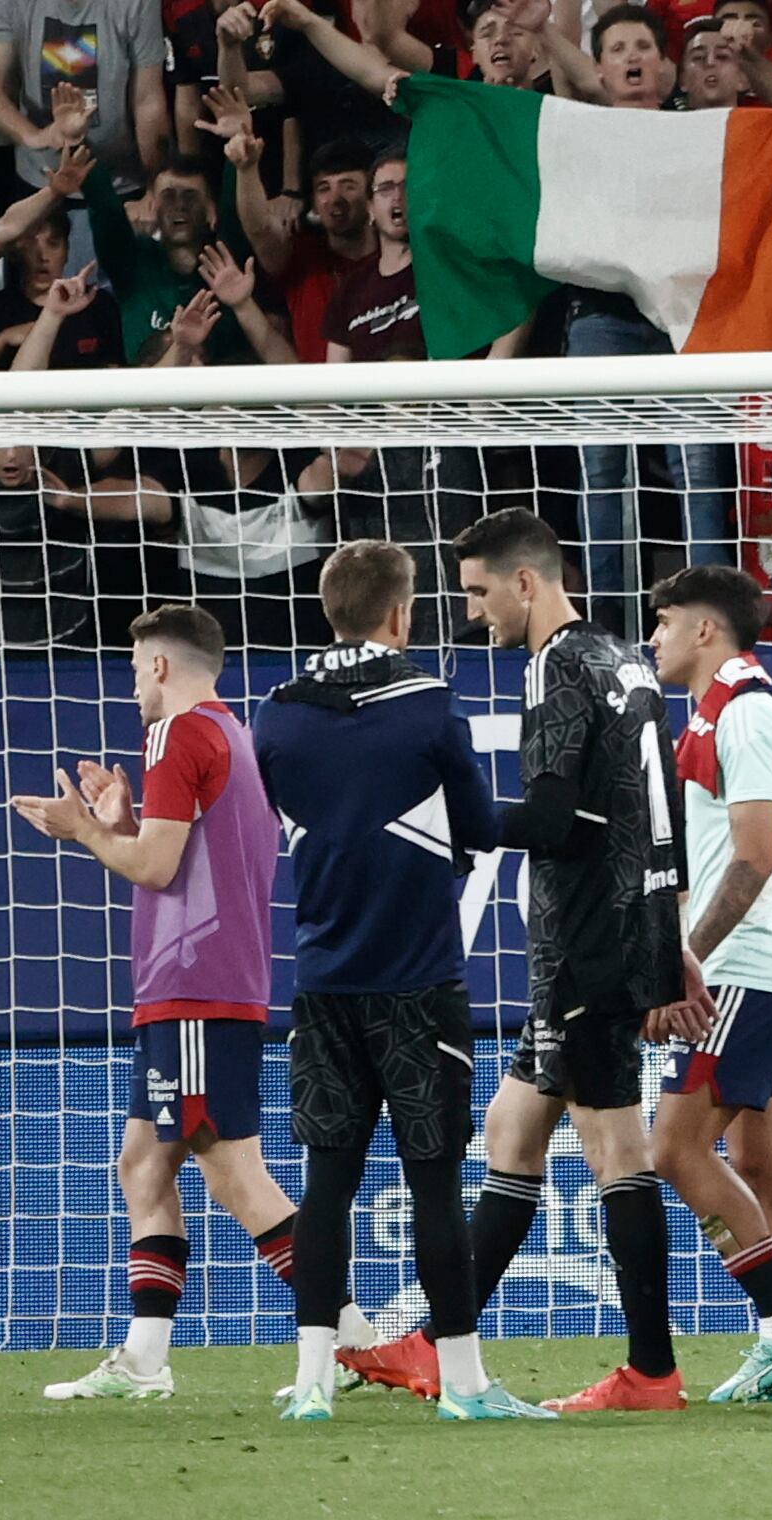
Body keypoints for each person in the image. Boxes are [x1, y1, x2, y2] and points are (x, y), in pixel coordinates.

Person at [6, 601, 302, 1405]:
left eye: (138, 669)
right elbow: (175, 850)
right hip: (199, 984)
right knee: (141, 1164)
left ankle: (350, 1334)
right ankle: (143, 1359)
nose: (134, 684)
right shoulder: (228, 732)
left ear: (163, 667)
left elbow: (157, 869)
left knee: (233, 1171)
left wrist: (81, 831)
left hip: (196, 983)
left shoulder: (176, 732)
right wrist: (123, 821)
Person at [249, 536, 507, 1420]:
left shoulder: (275, 713)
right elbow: (477, 825)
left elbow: (278, 825)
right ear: (400, 613)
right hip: (419, 980)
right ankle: (466, 1385)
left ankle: (314, 1381)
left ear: (329, 608)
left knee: (328, 1182)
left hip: (323, 981)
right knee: (435, 1181)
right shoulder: (430, 706)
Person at [444, 507, 686, 1416]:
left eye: (479, 593)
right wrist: (671, 942)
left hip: (588, 937)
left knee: (616, 1150)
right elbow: (650, 815)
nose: (475, 615)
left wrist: (444, 820)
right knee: (512, 1132)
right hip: (618, 929)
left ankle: (652, 1371)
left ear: (527, 582)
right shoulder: (625, 659)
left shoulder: (555, 664)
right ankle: (442, 1343)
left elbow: (551, 822)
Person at [643, 564, 772, 1404]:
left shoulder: (747, 717)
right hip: (764, 967)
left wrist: (690, 954)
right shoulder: (721, 716)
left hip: (742, 972)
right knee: (763, 1159)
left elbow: (756, 857)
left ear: (705, 631)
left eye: (665, 619)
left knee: (673, 1149)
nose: (654, 636)